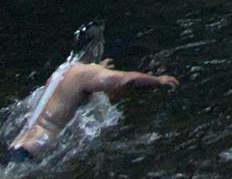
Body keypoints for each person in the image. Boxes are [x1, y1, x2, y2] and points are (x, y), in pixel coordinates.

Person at [3, 22, 178, 165]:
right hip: (32, 154)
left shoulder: (62, 71)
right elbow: (126, 80)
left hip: (17, 149)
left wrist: (98, 68)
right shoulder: (85, 73)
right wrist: (158, 80)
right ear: (96, 47)